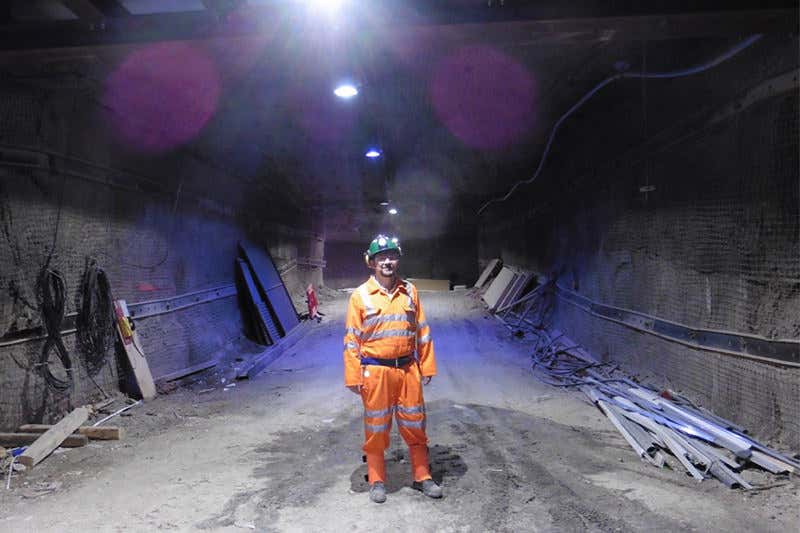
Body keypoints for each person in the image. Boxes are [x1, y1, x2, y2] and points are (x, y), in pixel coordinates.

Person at [343, 234, 443, 503]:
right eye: (381, 257)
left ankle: (423, 476)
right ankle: (377, 480)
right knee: (376, 427)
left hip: (408, 369)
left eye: (391, 256)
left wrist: (427, 364)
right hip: (375, 372)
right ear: (371, 262)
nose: (387, 261)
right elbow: (352, 338)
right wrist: (353, 375)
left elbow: (422, 330)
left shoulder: (410, 291)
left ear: (397, 259)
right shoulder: (360, 296)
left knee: (415, 423)